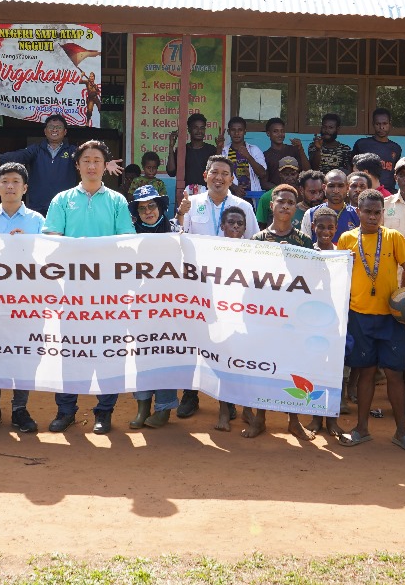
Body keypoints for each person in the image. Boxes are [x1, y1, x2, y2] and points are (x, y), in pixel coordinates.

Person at [43, 140, 135, 434]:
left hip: (110, 292)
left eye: (97, 160)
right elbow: (52, 239)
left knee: (109, 351)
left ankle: (104, 412)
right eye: (87, 160)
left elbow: (126, 242)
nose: (92, 165)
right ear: (78, 165)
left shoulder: (118, 201)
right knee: (69, 352)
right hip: (70, 291)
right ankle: (65, 410)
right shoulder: (62, 200)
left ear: (105, 166)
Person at [335, 190, 405, 451]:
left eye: (377, 212)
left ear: (383, 213)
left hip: (391, 318)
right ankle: (361, 429)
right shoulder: (347, 240)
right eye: (367, 211)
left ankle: (402, 432)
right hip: (359, 316)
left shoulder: (393, 238)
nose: (372, 216)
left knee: (395, 373)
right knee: (366, 373)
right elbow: (337, 275)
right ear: (358, 212)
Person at [173, 154, 259, 418]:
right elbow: (177, 239)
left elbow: (253, 244)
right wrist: (179, 214)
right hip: (197, 288)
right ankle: (190, 395)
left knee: (228, 343)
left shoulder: (243, 206)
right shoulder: (191, 204)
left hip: (230, 288)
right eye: (214, 172)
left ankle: (228, 399)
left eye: (224, 173)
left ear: (231, 178)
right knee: (194, 341)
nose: (219, 178)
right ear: (205, 176)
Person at [0, 162, 46, 433]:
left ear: (25, 188)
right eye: (5, 182)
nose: (10, 186)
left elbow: (48, 263)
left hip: (28, 303)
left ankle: (19, 408)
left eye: (16, 181)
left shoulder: (37, 221)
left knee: (26, 353)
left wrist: (26, 248)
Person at [246, 184, 322, 440]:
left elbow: (313, 277)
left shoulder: (303, 241)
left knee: (294, 367)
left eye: (291, 202)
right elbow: (249, 277)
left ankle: (294, 420)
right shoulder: (257, 240)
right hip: (265, 316)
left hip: (294, 316)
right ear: (272, 205)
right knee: (263, 367)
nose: (286, 205)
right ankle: (260, 418)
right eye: (282, 201)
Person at [0, 115, 120, 214]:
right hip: (38, 206)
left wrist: (105, 163)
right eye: (51, 127)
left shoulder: (73, 151)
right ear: (45, 131)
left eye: (59, 127)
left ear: (65, 132)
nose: (55, 130)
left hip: (66, 207)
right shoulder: (36, 150)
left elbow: (88, 157)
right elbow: (19, 155)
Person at [127, 183, 183, 430]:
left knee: (165, 356)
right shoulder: (127, 233)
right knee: (139, 356)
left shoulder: (175, 230)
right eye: (142, 208)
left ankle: (163, 409)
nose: (147, 211)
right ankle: (142, 408)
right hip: (138, 305)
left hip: (168, 307)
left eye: (151, 205)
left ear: (160, 206)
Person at [166, 113, 222, 192]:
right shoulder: (182, 150)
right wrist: (171, 147)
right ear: (189, 129)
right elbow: (171, 172)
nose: (199, 131)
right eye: (196, 128)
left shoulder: (211, 149)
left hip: (207, 194)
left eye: (202, 128)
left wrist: (219, 148)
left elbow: (217, 170)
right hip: (186, 194)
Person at [299, 169, 359, 242]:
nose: (336, 190)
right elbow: (304, 246)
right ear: (324, 188)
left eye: (340, 186)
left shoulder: (357, 214)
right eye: (331, 186)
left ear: (347, 188)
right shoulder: (310, 214)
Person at [352, 108, 403, 191]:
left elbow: (396, 172)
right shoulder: (362, 144)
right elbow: (352, 167)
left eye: (385, 123)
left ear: (390, 124)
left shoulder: (396, 148)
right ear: (373, 124)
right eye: (377, 124)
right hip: (365, 190)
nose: (381, 127)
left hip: (388, 192)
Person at [224, 117, 267, 195]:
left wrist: (248, 156)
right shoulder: (224, 152)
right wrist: (234, 187)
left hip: (252, 196)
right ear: (228, 132)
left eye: (240, 130)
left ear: (245, 132)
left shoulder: (254, 150)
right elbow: (221, 176)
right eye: (233, 130)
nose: (236, 133)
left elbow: (262, 174)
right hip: (231, 197)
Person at [256, 156, 300, 226]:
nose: (289, 177)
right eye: (286, 174)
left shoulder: (303, 194)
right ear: (280, 174)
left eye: (293, 174)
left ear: (298, 175)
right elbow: (261, 225)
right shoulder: (267, 197)